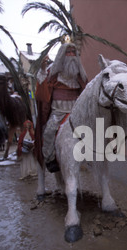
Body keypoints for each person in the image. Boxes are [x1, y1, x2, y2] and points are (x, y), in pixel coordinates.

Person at [34, 41, 88, 173]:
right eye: (68, 52)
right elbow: (42, 92)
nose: (71, 55)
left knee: (90, 130)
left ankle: (90, 156)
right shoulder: (53, 76)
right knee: (49, 132)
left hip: (76, 112)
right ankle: (50, 159)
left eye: (73, 52)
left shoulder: (80, 77)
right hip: (58, 112)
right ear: (61, 56)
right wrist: (42, 69)